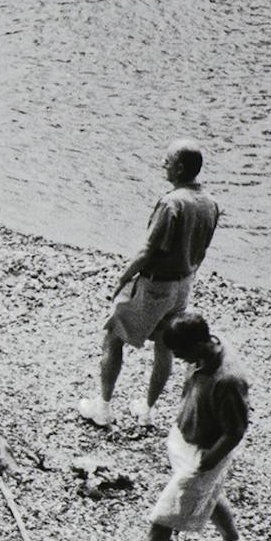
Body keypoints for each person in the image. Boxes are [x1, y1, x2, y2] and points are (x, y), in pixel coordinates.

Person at [91, 313, 251, 541]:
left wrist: (204, 464)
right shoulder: (202, 353)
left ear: (200, 344)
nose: (179, 360)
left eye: (181, 354)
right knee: (212, 494)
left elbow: (235, 431)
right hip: (188, 441)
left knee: (164, 518)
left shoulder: (228, 379)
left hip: (203, 455)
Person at [78, 140, 221, 428]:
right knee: (165, 346)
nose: (163, 164)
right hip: (184, 283)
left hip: (157, 285)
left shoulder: (172, 203)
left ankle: (103, 407)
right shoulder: (210, 204)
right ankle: (146, 410)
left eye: (167, 160)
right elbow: (202, 249)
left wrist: (123, 278)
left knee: (114, 336)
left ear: (180, 168)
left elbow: (149, 251)